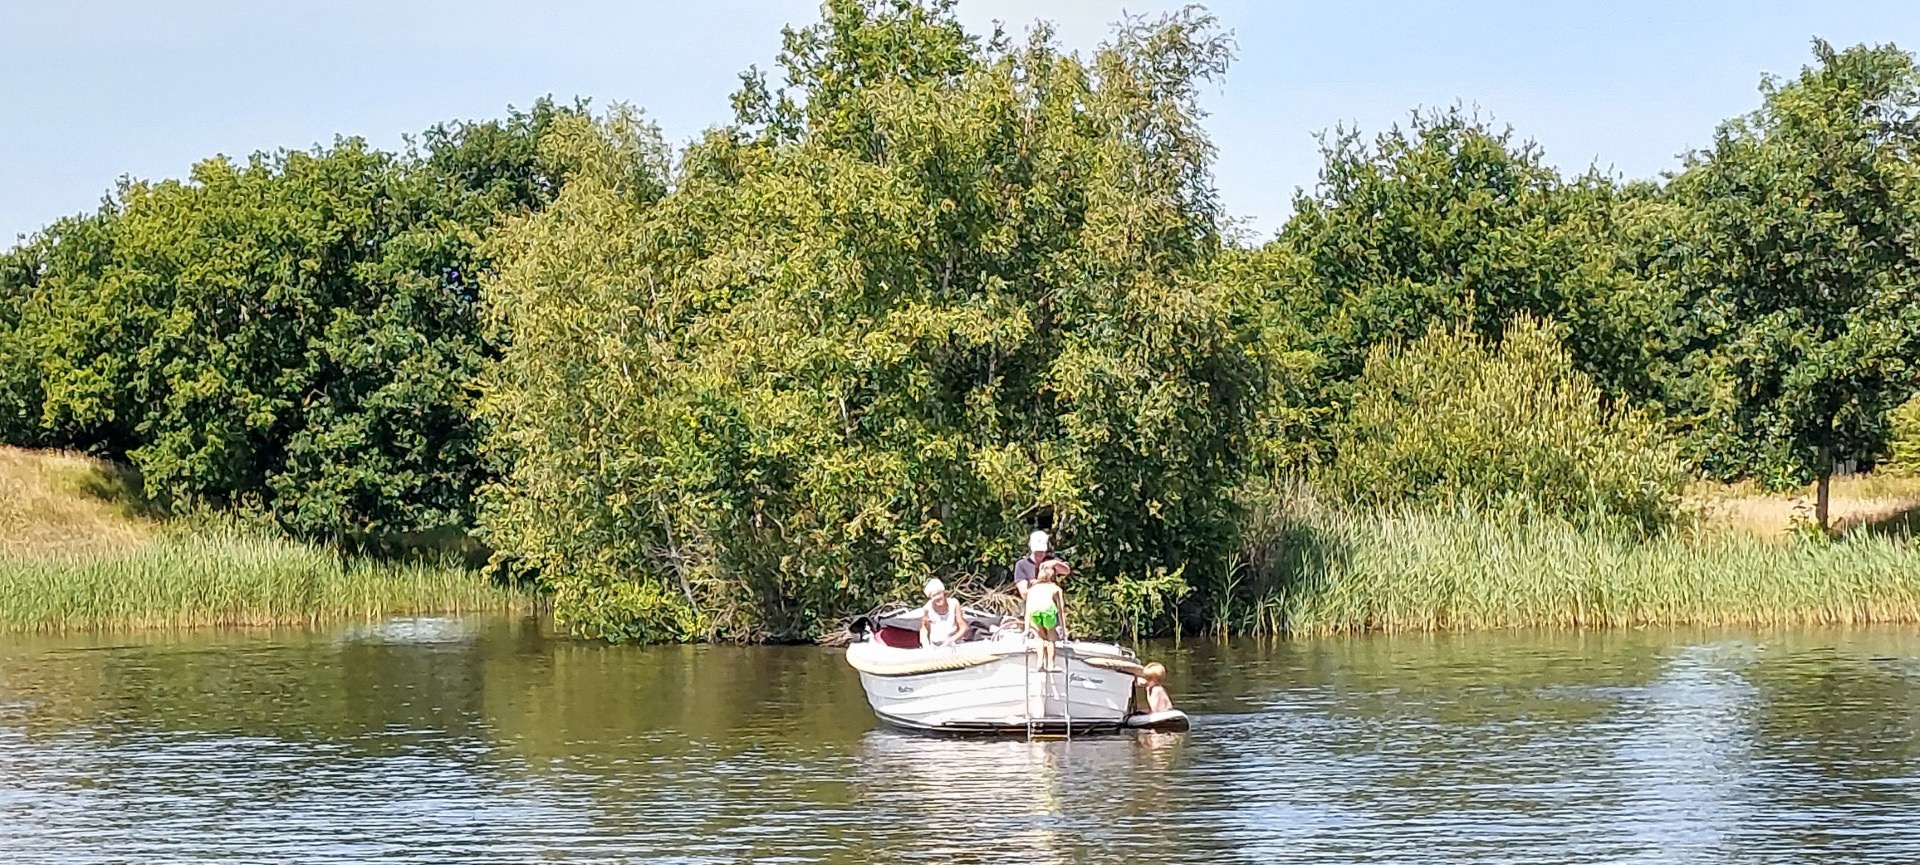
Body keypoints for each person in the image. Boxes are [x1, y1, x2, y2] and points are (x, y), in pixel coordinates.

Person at [1023, 560, 1068, 671]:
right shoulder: (1055, 588)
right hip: (1048, 611)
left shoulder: (1032, 589)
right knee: (1051, 639)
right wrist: (1064, 629)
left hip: (1035, 612)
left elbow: (1028, 609)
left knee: (1040, 638)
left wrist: (1026, 628)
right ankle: (1050, 665)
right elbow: (1061, 610)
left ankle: (1040, 662)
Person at [1012, 530, 1067, 598]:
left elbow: (1066, 571)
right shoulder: (1021, 565)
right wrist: (1039, 584)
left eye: (1042, 551)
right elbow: (1024, 593)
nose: (1039, 553)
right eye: (1037, 551)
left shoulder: (1051, 560)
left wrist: (1055, 563)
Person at [919, 578, 966, 647]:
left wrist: (952, 639)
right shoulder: (927, 608)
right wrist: (925, 643)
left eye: (939, 593)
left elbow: (963, 627)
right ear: (930, 597)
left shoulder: (954, 603)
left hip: (953, 644)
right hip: (935, 646)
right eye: (934, 595)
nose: (938, 597)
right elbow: (924, 628)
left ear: (943, 592)